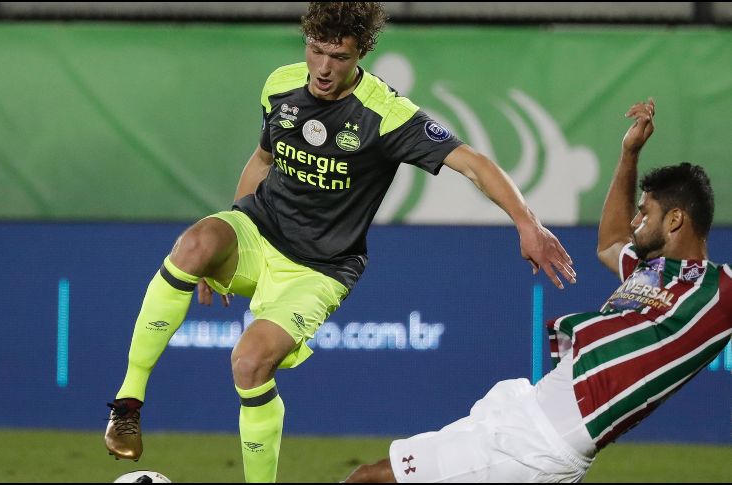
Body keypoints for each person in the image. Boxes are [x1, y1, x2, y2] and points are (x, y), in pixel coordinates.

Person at [104, 3, 576, 482]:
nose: (324, 68)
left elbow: (471, 161)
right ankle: (127, 404)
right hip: (259, 229)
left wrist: (527, 222)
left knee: (249, 363)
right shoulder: (281, 84)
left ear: (360, 54)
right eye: (316, 50)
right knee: (195, 244)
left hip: (320, 268)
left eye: (339, 56)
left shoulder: (386, 115)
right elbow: (262, 160)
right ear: (305, 42)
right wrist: (225, 246)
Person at [343, 98, 732, 483]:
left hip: (539, 442)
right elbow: (610, 243)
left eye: (644, 212)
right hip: (532, 415)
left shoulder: (719, 291)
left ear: (676, 219)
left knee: (370, 478)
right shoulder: (651, 270)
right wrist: (629, 153)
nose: (635, 220)